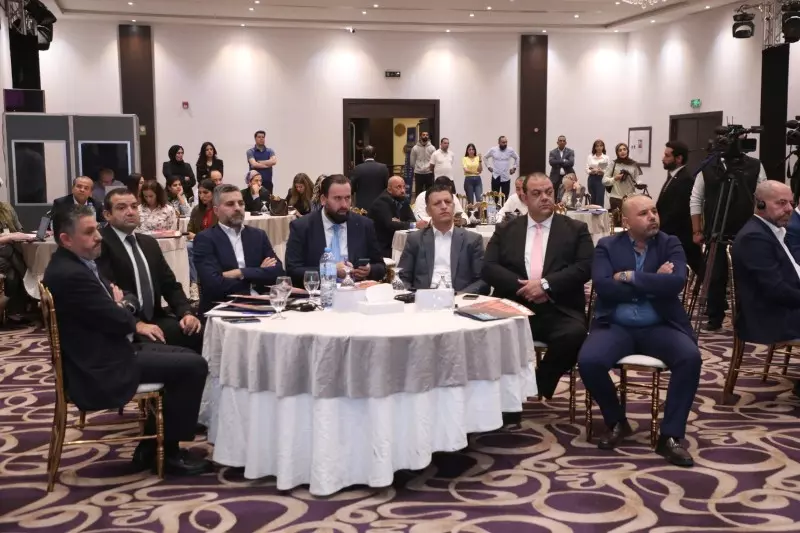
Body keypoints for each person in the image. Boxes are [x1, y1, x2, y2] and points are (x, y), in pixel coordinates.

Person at [43, 205, 211, 476]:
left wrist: (122, 304)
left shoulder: (78, 263)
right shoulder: (71, 274)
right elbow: (121, 319)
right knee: (193, 366)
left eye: (96, 229)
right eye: (89, 232)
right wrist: (123, 306)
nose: (98, 236)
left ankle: (151, 447)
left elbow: (124, 300)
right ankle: (169, 453)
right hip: (99, 365)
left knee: (185, 353)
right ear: (66, 239)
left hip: (106, 350)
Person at [579, 194, 700, 467]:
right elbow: (604, 286)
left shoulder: (670, 243)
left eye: (654, 211)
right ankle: (617, 421)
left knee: (690, 358)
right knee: (589, 361)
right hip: (616, 326)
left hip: (660, 325)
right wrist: (655, 280)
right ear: (626, 222)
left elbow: (676, 282)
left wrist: (629, 276)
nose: (652, 217)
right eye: (644, 213)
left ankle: (670, 436)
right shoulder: (607, 246)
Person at [483, 172, 593, 400]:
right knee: (487, 334)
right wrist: (525, 288)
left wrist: (545, 285)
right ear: (524, 197)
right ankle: (504, 400)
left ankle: (538, 383)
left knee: (575, 334)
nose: (545, 197)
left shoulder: (575, 229)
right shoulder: (506, 229)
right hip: (515, 306)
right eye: (537, 193)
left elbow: (585, 267)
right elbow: (489, 267)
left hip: (559, 307)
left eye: (549, 192)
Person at [98, 189, 203, 353]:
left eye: (134, 206)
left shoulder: (149, 243)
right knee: (168, 352)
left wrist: (186, 313)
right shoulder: (99, 244)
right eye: (121, 208)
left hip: (155, 317)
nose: (130, 212)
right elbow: (106, 292)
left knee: (196, 332)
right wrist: (136, 323)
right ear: (107, 215)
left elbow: (170, 285)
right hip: (124, 324)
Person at [690, 145, 765, 331]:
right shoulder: (708, 166)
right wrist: (697, 230)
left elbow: (762, 199)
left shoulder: (754, 166)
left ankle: (745, 316)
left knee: (745, 276)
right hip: (715, 230)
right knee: (715, 275)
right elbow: (696, 198)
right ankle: (714, 315)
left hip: (745, 231)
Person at [193, 184, 285, 314]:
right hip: (223, 307)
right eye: (230, 204)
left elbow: (278, 273)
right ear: (216, 210)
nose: (237, 208)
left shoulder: (258, 235)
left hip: (261, 303)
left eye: (241, 203)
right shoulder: (205, 239)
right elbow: (214, 284)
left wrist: (239, 272)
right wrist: (258, 274)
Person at [285, 174, 386, 287]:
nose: (344, 205)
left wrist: (369, 270)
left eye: (347, 198)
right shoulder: (302, 227)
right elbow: (293, 271)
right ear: (323, 200)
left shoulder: (364, 225)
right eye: (337, 198)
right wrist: (330, 270)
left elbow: (380, 267)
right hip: (318, 293)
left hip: (355, 292)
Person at [732, 181, 800, 348]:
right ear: (760, 204)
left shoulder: (774, 230)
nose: (789, 209)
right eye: (781, 203)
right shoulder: (753, 237)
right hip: (772, 318)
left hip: (786, 308)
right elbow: (776, 290)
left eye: (791, 203)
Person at [398, 182, 488, 294]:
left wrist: (460, 296)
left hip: (459, 298)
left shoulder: (472, 240)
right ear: (428, 211)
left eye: (448, 202)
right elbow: (402, 277)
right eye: (437, 203)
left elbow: (482, 281)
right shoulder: (415, 239)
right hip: (424, 299)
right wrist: (415, 297)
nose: (444, 206)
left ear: (453, 206)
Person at [657, 141, 702, 277]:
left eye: (667, 156)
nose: (663, 158)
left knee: (693, 271)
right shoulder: (673, 176)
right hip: (670, 234)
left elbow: (677, 212)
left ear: (678, 158)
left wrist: (658, 227)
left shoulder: (685, 179)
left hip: (680, 237)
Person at [0, 195, 35, 324]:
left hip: (6, 255)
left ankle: (13, 311)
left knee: (12, 273)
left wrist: (23, 235)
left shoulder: (6, 208)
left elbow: (19, 229)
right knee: (9, 251)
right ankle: (31, 284)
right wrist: (9, 237)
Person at [369, 176, 418, 257]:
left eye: (404, 187)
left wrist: (400, 223)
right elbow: (390, 225)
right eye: (398, 187)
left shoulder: (403, 199)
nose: (403, 191)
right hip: (382, 247)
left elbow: (412, 219)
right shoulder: (381, 202)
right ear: (389, 189)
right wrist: (413, 225)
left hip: (397, 242)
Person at [186, 179, 218, 298]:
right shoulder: (196, 210)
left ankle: (194, 283)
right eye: (199, 193)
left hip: (215, 243)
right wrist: (196, 237)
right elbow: (189, 230)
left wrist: (198, 236)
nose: (202, 196)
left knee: (190, 247)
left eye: (205, 192)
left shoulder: (219, 210)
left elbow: (219, 233)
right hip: (198, 243)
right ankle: (193, 284)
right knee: (187, 247)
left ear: (214, 192)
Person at [603, 143, 642, 216]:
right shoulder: (613, 164)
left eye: (624, 149)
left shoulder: (634, 164)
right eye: (620, 150)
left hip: (630, 198)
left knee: (629, 221)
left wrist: (640, 184)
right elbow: (604, 181)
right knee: (617, 221)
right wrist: (615, 178)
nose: (622, 152)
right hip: (616, 198)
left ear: (627, 151)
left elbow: (637, 180)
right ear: (617, 153)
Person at [350, 145, 390, 211]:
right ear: (375, 155)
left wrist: (352, 204)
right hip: (380, 204)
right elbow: (387, 187)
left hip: (362, 206)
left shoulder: (357, 168)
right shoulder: (383, 168)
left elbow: (351, 188)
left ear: (363, 155)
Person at [246, 130, 277, 196]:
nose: (261, 139)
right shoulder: (250, 151)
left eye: (263, 137)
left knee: (267, 201)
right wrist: (268, 165)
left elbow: (274, 161)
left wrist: (260, 162)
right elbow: (254, 164)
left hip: (267, 182)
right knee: (254, 200)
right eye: (259, 137)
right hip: (254, 183)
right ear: (255, 138)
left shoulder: (270, 151)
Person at [586, 139, 610, 207]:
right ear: (595, 147)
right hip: (592, 178)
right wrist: (591, 171)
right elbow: (587, 168)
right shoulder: (590, 157)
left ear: (603, 147)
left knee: (599, 198)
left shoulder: (606, 157)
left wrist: (602, 171)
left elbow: (608, 170)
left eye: (601, 146)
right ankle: (592, 213)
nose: (599, 148)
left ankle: (600, 213)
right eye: (597, 146)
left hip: (601, 178)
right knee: (592, 198)